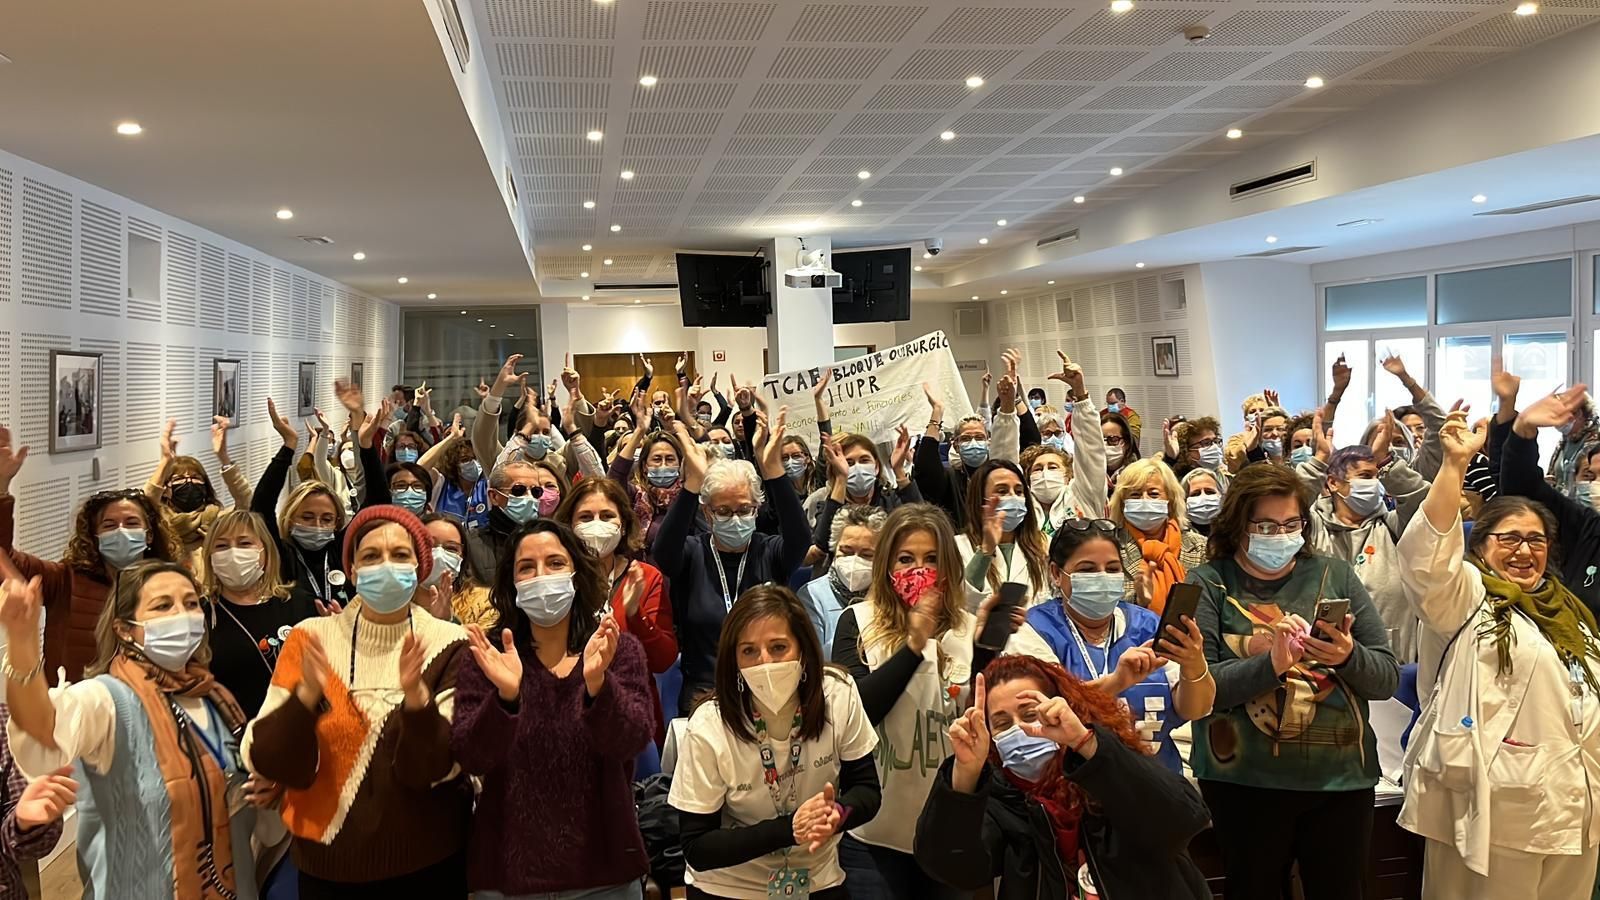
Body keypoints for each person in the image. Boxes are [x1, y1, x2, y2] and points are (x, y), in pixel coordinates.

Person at [1397, 395, 1600, 897]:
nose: (1524, 550)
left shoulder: (1571, 612)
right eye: (1509, 539)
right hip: (1491, 810)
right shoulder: (1464, 596)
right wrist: (1453, 465)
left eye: (1536, 540)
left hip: (1575, 804)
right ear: (1480, 546)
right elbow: (1428, 556)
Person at [1187, 463, 1399, 900]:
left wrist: (1346, 655)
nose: (1279, 534)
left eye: (1290, 524)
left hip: (1340, 780)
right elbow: (1202, 689)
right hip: (1245, 783)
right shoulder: (1210, 583)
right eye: (1264, 525)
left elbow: (1385, 678)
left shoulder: (1334, 574)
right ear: (1237, 526)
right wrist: (1271, 663)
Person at [244, 505, 472, 898]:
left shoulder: (449, 643)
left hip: (427, 864)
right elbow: (264, 756)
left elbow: (436, 768)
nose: (386, 565)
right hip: (326, 867)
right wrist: (303, 702)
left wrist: (417, 700)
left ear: (420, 567)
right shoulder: (311, 637)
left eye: (400, 555)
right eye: (371, 556)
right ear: (351, 570)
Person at [3, 561, 263, 899]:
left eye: (190, 602)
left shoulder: (212, 695)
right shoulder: (108, 701)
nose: (182, 615)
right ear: (126, 629)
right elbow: (41, 727)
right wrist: (22, 642)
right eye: (163, 605)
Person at [451, 519, 654, 899]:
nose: (541, 575)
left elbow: (631, 742)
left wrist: (598, 686)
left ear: (577, 574)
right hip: (507, 877)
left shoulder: (616, 650)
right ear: (511, 582)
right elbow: (471, 756)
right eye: (527, 567)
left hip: (604, 874)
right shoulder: (489, 657)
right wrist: (505, 699)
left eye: (555, 563)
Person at [915, 655, 1211, 900]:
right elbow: (951, 866)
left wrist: (1085, 743)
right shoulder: (1001, 796)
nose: (1019, 729)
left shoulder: (1107, 763)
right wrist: (965, 775)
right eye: (1002, 723)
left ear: (1061, 708)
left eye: (1029, 713)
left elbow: (1183, 820)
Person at [668, 584, 881, 900]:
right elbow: (698, 847)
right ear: (734, 660)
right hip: (730, 887)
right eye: (749, 651)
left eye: (778, 647)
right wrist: (789, 830)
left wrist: (837, 814)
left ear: (803, 651)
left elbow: (866, 790)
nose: (764, 662)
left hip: (817, 880)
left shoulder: (837, 693)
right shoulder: (709, 724)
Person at [830, 503, 995, 900]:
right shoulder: (857, 622)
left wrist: (988, 650)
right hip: (872, 834)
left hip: (945, 831)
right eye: (906, 559)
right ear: (886, 565)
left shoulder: (968, 630)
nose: (919, 570)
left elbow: (981, 715)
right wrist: (914, 647)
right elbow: (858, 712)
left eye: (932, 559)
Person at [653, 411, 810, 714]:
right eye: (724, 511)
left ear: (756, 509)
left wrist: (774, 470)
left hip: (770, 688)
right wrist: (693, 485)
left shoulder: (770, 551)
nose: (735, 519)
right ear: (708, 514)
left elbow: (801, 540)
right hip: (705, 694)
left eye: (744, 510)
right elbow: (664, 551)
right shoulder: (693, 552)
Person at [1025, 521, 1214, 773]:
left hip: (1156, 783)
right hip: (1076, 786)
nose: (1102, 577)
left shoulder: (1148, 624)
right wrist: (1117, 682)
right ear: (1057, 574)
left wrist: (1194, 664)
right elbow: (1045, 714)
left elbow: (1195, 709)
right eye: (1087, 570)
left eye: (1112, 568)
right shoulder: (1034, 630)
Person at [0, 426, 182, 680]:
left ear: (149, 534)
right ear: (95, 536)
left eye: (131, 524)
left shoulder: (170, 586)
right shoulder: (65, 580)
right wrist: (1, 489)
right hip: (73, 709)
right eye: (109, 525)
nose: (121, 531)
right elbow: (4, 558)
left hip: (146, 707)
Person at [554, 476, 676, 739]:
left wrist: (635, 614)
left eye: (607, 516)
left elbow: (663, 660)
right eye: (585, 517)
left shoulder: (645, 576)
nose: (596, 525)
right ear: (570, 525)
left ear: (623, 526)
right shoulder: (555, 579)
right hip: (569, 712)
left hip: (631, 712)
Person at [1299, 434, 1430, 664]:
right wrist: (1318, 460)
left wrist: (1386, 462)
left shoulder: (1394, 526)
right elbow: (1289, 503)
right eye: (1365, 476)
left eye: (1377, 476)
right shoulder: (1313, 526)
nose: (1375, 484)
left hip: (1393, 666)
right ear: (1333, 482)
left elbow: (1422, 499)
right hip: (1323, 664)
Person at [199, 509, 318, 717]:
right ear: (209, 556)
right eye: (221, 546)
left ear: (266, 551)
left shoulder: (299, 603)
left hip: (300, 730)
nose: (233, 553)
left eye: (245, 543)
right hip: (237, 737)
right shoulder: (201, 614)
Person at [914, 360, 1022, 531]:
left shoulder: (998, 476)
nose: (973, 442)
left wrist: (1008, 404)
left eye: (979, 437)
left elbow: (1007, 447)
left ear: (988, 441)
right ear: (955, 445)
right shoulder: (950, 479)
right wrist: (937, 411)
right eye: (965, 438)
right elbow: (926, 470)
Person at [144, 417, 254, 571]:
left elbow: (246, 503)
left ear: (205, 485)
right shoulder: (160, 526)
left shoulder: (217, 522)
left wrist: (224, 458)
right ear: (166, 489)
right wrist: (165, 463)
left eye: (195, 478)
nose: (189, 483)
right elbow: (145, 504)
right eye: (179, 479)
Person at [1108, 458, 1207, 613]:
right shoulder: (1109, 547)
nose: (1144, 500)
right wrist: (1138, 600)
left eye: (1153, 494)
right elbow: (1100, 609)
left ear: (1170, 499)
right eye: (1135, 494)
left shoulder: (1200, 547)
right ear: (1122, 502)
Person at [960, 460, 1054, 608]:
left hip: (1036, 630)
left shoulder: (1045, 543)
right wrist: (986, 550)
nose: (1013, 498)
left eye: (1018, 491)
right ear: (980, 500)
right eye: (1002, 491)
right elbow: (963, 601)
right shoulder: (958, 546)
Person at [797, 505, 885, 659]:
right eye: (847, 551)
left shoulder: (890, 596)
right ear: (834, 549)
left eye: (866, 554)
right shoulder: (811, 596)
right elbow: (812, 658)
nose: (854, 560)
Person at [808, 430, 919, 553]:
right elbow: (823, 544)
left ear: (876, 466)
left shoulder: (891, 500)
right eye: (849, 463)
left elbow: (922, 524)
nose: (858, 468)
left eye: (864, 460)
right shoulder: (827, 506)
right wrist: (841, 479)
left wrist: (898, 470)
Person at [421, 512, 494, 628]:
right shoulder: (395, 601)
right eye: (429, 545)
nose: (439, 555)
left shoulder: (484, 604)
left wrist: (448, 622)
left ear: (462, 556)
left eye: (451, 548)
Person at [1181, 468, 1227, 536]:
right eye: (1195, 494)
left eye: (1209, 492)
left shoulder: (1235, 532)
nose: (1203, 497)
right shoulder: (1179, 537)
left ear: (1222, 496)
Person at [1100, 410, 1138, 488]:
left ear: (1127, 443)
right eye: (1100, 440)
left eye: (1113, 440)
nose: (1105, 445)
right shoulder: (1090, 474)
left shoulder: (1138, 474)